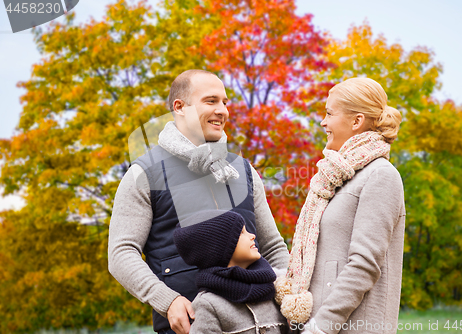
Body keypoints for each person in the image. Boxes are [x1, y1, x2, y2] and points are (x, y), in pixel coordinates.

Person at [108, 69, 289, 334]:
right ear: (180, 107)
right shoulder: (144, 174)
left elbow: (273, 247)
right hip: (190, 327)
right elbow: (121, 253)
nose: (223, 110)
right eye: (211, 101)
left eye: (225, 102)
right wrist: (167, 301)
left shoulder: (245, 170)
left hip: (263, 324)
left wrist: (288, 295)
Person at [275, 77, 405, 334]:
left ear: (356, 121)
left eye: (329, 113)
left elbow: (364, 265)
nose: (323, 122)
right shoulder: (336, 178)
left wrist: (321, 327)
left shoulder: (381, 175)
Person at [173, 209, 290, 334]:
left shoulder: (276, 286)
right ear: (218, 248)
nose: (252, 236)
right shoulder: (208, 304)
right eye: (241, 233)